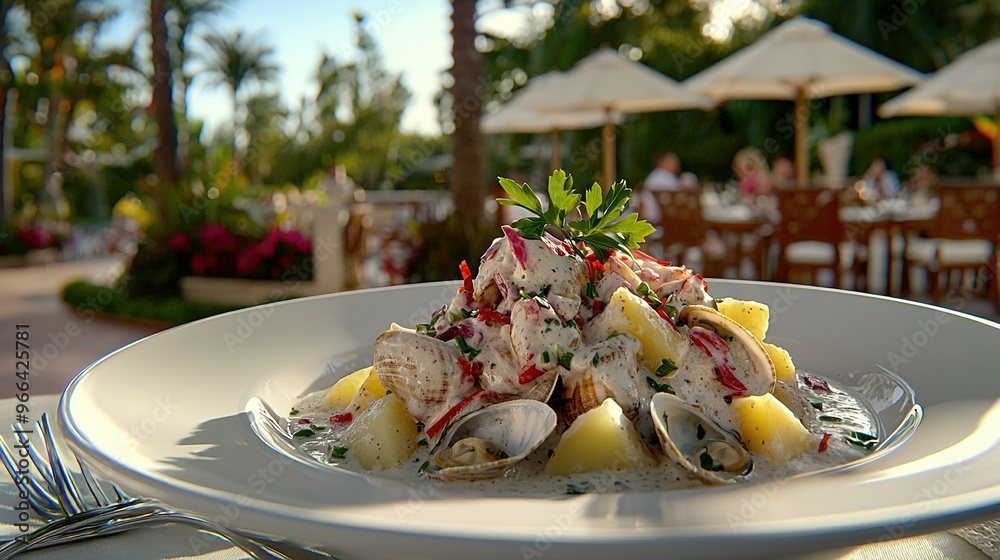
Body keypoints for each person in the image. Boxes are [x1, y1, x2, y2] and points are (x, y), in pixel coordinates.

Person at [640, 151, 686, 224]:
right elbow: (681, 198)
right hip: (662, 219)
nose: (676, 165)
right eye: (672, 161)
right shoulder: (667, 177)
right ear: (661, 162)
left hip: (649, 217)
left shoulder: (653, 176)